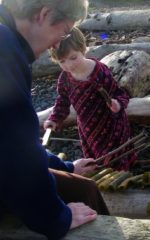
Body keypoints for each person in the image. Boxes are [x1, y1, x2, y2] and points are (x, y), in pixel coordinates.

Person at [0, 1, 109, 239]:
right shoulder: (4, 47)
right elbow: (14, 152)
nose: (60, 41)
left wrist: (66, 166)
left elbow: (13, 137)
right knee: (81, 195)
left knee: (83, 186)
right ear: (44, 14)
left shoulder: (8, 40)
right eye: (65, 30)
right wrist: (56, 218)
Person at [44, 27, 136, 171]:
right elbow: (62, 101)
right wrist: (54, 119)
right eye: (62, 61)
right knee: (95, 158)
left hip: (110, 123)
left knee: (114, 156)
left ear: (83, 49)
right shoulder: (65, 79)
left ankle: (120, 177)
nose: (69, 65)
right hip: (88, 127)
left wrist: (117, 104)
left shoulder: (99, 71)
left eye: (73, 58)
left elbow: (119, 93)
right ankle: (100, 178)